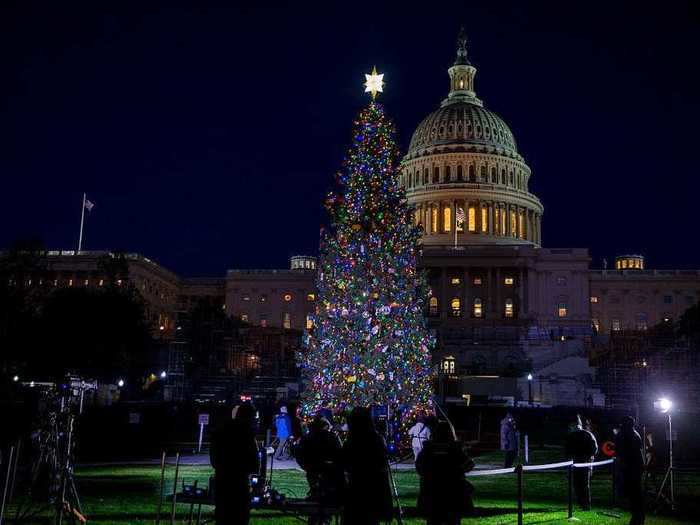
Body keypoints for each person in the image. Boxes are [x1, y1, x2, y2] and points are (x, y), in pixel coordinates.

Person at [341, 407, 394, 525]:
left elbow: (344, 462)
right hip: (373, 491)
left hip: (357, 490)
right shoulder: (377, 439)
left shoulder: (352, 441)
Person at [210, 403, 260, 525]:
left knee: (222, 517)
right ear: (249, 417)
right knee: (239, 518)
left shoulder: (221, 430)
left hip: (221, 481)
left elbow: (214, 459)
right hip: (239, 484)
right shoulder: (247, 434)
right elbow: (254, 464)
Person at [416, 421, 475, 525]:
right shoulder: (455, 449)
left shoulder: (428, 449)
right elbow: (469, 464)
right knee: (453, 520)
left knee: (433, 520)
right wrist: (458, 470)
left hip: (432, 492)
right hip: (452, 492)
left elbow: (419, 467)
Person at [295, 416, 345, 523]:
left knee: (316, 495)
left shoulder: (307, 437)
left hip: (313, 472)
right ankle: (323, 518)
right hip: (328, 473)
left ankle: (316, 518)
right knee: (326, 498)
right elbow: (340, 455)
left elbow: (299, 456)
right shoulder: (332, 437)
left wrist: (308, 467)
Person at [615, 416, 645, 525]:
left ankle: (637, 516)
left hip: (629, 468)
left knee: (633, 494)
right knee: (635, 494)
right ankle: (638, 515)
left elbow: (620, 451)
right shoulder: (635, 434)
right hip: (634, 467)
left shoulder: (625, 435)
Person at [565, 414, 599, 510]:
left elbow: (567, 451)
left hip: (578, 463)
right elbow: (595, 449)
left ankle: (584, 504)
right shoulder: (588, 435)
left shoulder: (573, 436)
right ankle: (584, 504)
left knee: (580, 485)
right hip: (584, 463)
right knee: (583, 485)